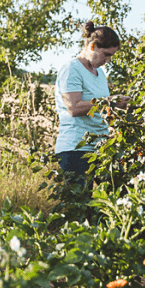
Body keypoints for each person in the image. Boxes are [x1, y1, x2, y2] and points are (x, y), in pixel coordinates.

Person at [54, 21, 129, 181]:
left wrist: (123, 107)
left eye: (111, 56)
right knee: (82, 203)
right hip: (75, 149)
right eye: (106, 54)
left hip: (101, 146)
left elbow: (100, 107)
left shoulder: (100, 74)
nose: (108, 61)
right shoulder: (71, 69)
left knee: (120, 194)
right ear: (93, 46)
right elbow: (74, 108)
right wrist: (110, 101)